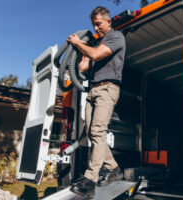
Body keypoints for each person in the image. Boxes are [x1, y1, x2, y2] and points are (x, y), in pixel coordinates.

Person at [67, 6, 126, 198]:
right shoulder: (95, 44)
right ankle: (114, 168)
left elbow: (97, 55)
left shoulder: (115, 37)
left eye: (98, 24)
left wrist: (79, 43)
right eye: (93, 25)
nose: (96, 27)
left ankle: (90, 179)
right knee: (93, 134)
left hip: (107, 89)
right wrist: (82, 49)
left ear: (108, 22)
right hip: (93, 91)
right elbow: (84, 67)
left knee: (98, 130)